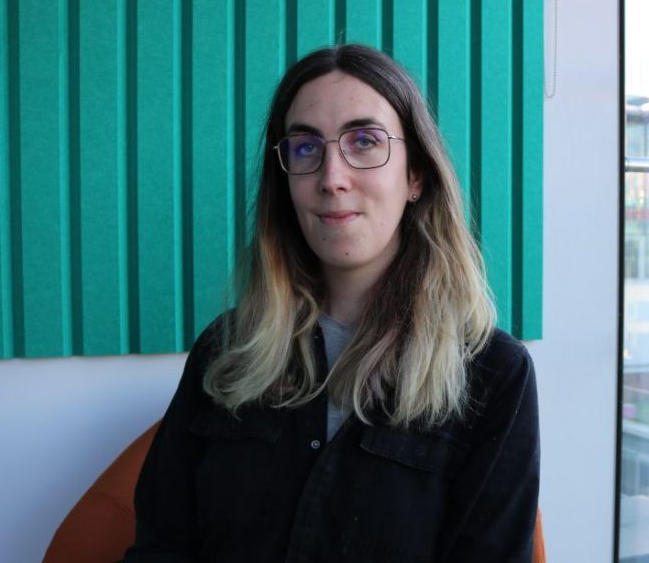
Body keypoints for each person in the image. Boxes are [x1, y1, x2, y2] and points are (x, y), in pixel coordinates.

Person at [123, 44, 540, 562]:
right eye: (304, 148)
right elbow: (163, 546)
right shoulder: (226, 350)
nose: (331, 177)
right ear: (287, 183)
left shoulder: (493, 375)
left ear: (416, 176)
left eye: (364, 141)